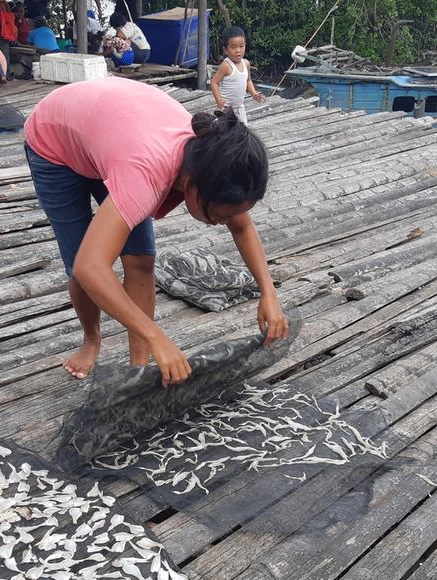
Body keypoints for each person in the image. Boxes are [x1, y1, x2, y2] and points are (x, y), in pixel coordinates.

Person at [23, 78, 288, 386]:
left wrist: (269, 294)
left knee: (140, 261)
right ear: (191, 185)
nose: (223, 221)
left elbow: (242, 225)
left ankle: (139, 366)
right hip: (56, 141)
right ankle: (91, 340)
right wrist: (157, 335)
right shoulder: (146, 175)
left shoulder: (210, 158)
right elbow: (89, 267)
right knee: (80, 260)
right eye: (220, 214)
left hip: (114, 132)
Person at [210, 26, 265, 124]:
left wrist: (254, 94)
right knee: (223, 131)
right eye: (233, 47)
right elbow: (214, 82)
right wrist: (219, 100)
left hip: (239, 107)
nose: (238, 50)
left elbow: (248, 80)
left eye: (241, 46)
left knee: (242, 132)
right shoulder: (226, 65)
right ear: (225, 50)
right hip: (225, 108)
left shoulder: (246, 63)